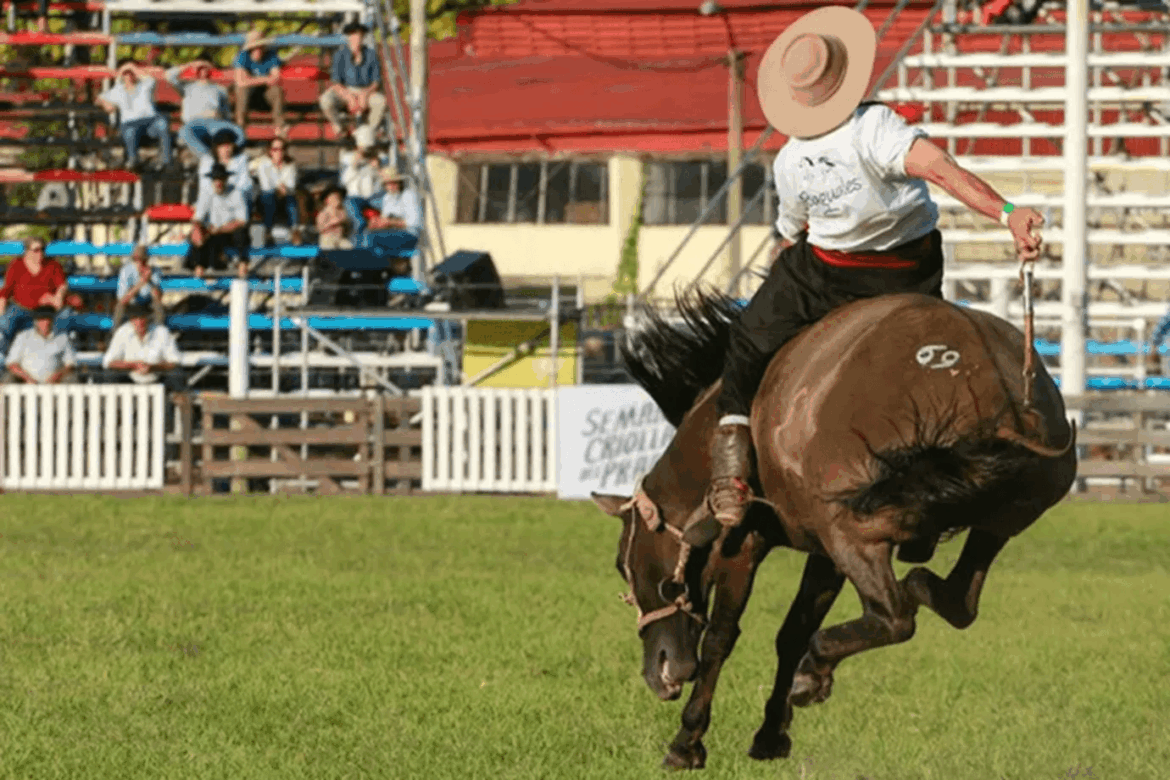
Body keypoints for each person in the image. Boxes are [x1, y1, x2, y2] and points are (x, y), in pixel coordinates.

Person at [689, 6, 1047, 548]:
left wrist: (776, 277)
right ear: (842, 79)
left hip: (822, 272)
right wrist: (1007, 213)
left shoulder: (790, 159)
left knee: (747, 339)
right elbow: (943, 171)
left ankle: (732, 456)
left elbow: (792, 232)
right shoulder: (876, 128)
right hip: (907, 272)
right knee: (922, 360)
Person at [0, 237, 74, 360]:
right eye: (36, 250)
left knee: (64, 316)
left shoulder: (52, 265)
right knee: (5, 323)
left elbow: (61, 287)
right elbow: (6, 290)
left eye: (42, 249)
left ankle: (58, 357)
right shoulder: (16, 265)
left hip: (46, 310)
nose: (40, 253)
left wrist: (55, 297)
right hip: (21, 308)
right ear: (27, 251)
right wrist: (2, 307)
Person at [95, 59, 172, 171]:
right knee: (129, 131)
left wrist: (131, 67)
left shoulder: (145, 85)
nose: (129, 76)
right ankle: (133, 160)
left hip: (150, 122)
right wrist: (106, 104)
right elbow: (99, 99)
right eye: (126, 74)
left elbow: (150, 79)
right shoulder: (118, 90)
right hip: (131, 124)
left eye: (131, 73)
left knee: (162, 123)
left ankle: (166, 161)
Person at [166, 57, 244, 160]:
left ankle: (230, 158)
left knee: (238, 132)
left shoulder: (220, 89)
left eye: (206, 68)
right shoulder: (187, 87)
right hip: (194, 123)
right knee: (185, 132)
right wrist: (192, 64)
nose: (203, 71)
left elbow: (226, 112)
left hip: (214, 122)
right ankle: (209, 159)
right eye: (200, 69)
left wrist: (222, 117)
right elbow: (169, 76)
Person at [319, 21, 386, 140]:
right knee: (325, 100)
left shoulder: (371, 55)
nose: (356, 38)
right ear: (349, 37)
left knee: (380, 101)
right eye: (352, 35)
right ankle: (341, 127)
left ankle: (369, 132)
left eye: (358, 35)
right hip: (345, 90)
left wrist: (365, 93)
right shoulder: (339, 55)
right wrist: (348, 97)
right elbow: (336, 82)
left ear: (363, 37)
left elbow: (376, 81)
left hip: (365, 90)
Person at [186, 163, 250, 277]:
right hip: (214, 232)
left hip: (230, 232)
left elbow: (242, 221)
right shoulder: (206, 193)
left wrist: (220, 229)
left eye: (221, 178)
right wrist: (197, 229)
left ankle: (243, 264)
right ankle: (199, 267)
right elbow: (197, 218)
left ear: (226, 179)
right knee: (198, 232)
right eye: (216, 179)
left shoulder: (236, 193)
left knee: (241, 233)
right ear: (212, 180)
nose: (218, 182)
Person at [102, 303, 181, 385]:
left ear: (148, 318)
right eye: (135, 317)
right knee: (110, 374)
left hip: (158, 376)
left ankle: (180, 396)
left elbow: (175, 361)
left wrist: (152, 367)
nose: (139, 321)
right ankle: (113, 397)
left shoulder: (162, 331)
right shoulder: (122, 332)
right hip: (129, 377)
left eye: (142, 317)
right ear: (131, 320)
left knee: (177, 373)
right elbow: (108, 362)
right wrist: (133, 365)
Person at [233, 29, 285, 136]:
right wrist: (265, 79)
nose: (258, 50)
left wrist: (251, 80)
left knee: (277, 90)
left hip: (265, 94)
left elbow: (276, 77)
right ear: (250, 49)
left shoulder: (271, 55)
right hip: (249, 95)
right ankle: (240, 126)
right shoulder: (242, 56)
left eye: (260, 46)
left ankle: (280, 127)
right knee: (242, 90)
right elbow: (240, 81)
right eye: (255, 47)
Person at [5, 305, 76, 384]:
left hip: (55, 384)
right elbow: (11, 364)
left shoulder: (63, 338)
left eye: (48, 318)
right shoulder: (23, 337)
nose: (46, 322)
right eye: (42, 319)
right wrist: (28, 379)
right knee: (8, 378)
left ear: (53, 320)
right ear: (36, 321)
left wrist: (57, 376)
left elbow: (70, 364)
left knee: (72, 378)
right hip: (25, 383)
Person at [255, 137, 299, 244]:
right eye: (275, 149)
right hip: (267, 197)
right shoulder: (263, 164)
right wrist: (281, 186)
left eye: (281, 149)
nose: (278, 152)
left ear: (285, 150)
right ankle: (268, 230)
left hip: (284, 196)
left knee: (291, 200)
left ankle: (295, 231)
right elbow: (266, 186)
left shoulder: (291, 164)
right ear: (270, 151)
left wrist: (282, 188)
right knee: (268, 196)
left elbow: (291, 185)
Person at [196, 128, 254, 210]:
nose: (226, 149)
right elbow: (205, 186)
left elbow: (245, 184)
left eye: (229, 145)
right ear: (216, 148)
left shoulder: (241, 159)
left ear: (233, 146)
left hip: (236, 200)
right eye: (222, 146)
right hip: (213, 201)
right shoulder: (206, 161)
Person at [114, 245, 165, 327]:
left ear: (147, 260)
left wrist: (150, 281)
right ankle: (115, 334)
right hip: (131, 305)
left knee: (159, 307)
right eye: (137, 260)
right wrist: (141, 283)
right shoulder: (126, 270)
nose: (140, 263)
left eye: (143, 260)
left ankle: (158, 333)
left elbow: (158, 298)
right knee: (119, 307)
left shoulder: (155, 271)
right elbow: (122, 300)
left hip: (147, 304)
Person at [365, 169, 422, 236]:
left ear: (399, 183)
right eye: (388, 183)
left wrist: (391, 222)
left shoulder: (408, 195)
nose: (391, 186)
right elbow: (385, 218)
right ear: (385, 186)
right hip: (392, 232)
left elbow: (414, 222)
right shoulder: (387, 198)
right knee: (367, 233)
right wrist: (377, 222)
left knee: (371, 238)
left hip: (409, 233)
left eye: (394, 182)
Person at [316, 185, 353, 250]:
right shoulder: (324, 212)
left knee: (349, 247)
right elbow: (319, 229)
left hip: (341, 238)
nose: (337, 200)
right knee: (329, 247)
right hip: (328, 238)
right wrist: (331, 223)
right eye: (334, 198)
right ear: (327, 200)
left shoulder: (343, 211)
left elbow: (348, 225)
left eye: (339, 197)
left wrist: (345, 222)